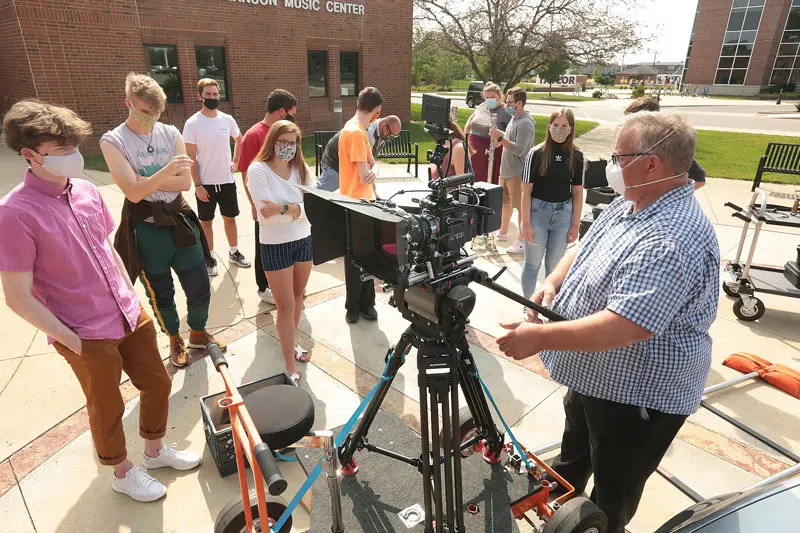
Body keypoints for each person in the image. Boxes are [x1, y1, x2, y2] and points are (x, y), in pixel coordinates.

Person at [497, 112, 720, 533]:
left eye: (619, 156)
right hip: (597, 375)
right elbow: (582, 247)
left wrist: (539, 337)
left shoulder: (672, 237)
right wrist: (551, 282)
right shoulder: (631, 201)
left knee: (614, 489)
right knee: (573, 453)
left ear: (652, 163)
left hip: (639, 394)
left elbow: (625, 326)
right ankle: (564, 511)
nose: (610, 165)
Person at [0, 100, 201, 503]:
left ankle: (155, 451)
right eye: (62, 150)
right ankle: (122, 472)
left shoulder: (87, 191)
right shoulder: (14, 214)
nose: (74, 156)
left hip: (126, 311)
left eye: (74, 146)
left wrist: (130, 295)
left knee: (158, 383)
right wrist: (71, 340)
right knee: (106, 405)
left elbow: (106, 251)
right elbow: (17, 298)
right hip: (82, 331)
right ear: (29, 155)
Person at [101, 73, 218, 368]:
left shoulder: (170, 133)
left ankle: (198, 332)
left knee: (199, 282)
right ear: (128, 103)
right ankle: (174, 338)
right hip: (147, 226)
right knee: (159, 288)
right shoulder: (113, 140)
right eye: (144, 111)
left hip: (178, 218)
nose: (151, 117)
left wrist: (147, 179)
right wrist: (166, 172)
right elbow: (133, 193)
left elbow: (184, 184)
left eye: (157, 112)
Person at [246, 121, 313, 385]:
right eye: (282, 142)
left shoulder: (301, 169)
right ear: (272, 141)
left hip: (303, 240)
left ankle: (292, 343)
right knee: (285, 305)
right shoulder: (257, 170)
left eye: (292, 143)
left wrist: (284, 208)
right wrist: (296, 209)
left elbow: (315, 207)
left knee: (298, 298)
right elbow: (267, 216)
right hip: (275, 245)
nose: (287, 148)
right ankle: (289, 366)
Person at [183, 78, 249, 276]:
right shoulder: (193, 123)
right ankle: (209, 256)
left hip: (227, 181)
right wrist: (198, 184)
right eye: (208, 94)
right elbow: (190, 157)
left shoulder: (227, 119)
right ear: (199, 96)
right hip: (206, 184)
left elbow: (239, 138)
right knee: (207, 222)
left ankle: (233, 251)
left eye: (215, 94)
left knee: (230, 219)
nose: (212, 97)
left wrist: (236, 161)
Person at [238, 89, 298, 305]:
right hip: (264, 203)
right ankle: (264, 287)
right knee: (263, 245)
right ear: (281, 111)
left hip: (285, 203)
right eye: (291, 114)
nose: (292, 119)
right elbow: (246, 174)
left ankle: (283, 282)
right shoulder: (254, 135)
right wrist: (254, 204)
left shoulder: (286, 134)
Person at [519, 108, 584, 300]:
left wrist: (575, 223)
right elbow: (526, 191)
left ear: (571, 129)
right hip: (538, 212)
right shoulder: (536, 153)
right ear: (549, 127)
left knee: (555, 267)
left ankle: (548, 305)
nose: (559, 130)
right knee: (532, 263)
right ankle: (529, 304)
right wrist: (526, 222)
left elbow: (578, 192)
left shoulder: (577, 156)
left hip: (563, 214)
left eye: (564, 126)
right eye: (556, 125)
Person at [339, 86, 383, 323]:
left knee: (365, 255)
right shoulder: (356, 133)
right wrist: (372, 170)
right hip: (357, 202)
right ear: (377, 110)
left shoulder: (356, 129)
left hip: (363, 200)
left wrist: (373, 170)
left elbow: (372, 164)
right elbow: (365, 172)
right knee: (357, 257)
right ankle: (355, 306)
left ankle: (366, 303)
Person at [624, 96, 706, 190]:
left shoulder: (668, 146)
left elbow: (700, 179)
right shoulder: (631, 142)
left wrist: (667, 195)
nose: (626, 128)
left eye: (632, 123)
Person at [490, 87, 536, 254]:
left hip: (518, 172)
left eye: (510, 102)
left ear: (520, 103)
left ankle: (522, 241)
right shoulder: (514, 118)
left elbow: (519, 149)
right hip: (506, 171)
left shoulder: (525, 123)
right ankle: (502, 232)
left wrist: (501, 139)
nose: (507, 105)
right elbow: (510, 140)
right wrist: (500, 135)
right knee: (505, 204)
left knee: (521, 208)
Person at [316, 115, 402, 192]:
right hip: (335, 162)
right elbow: (365, 167)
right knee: (321, 193)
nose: (389, 138)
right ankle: (304, 199)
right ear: (384, 126)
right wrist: (374, 192)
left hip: (350, 164)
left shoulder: (383, 135)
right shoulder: (369, 133)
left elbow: (369, 165)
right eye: (390, 135)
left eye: (392, 137)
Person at [464, 83, 511, 184]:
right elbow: (472, 117)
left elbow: (510, 133)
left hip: (489, 152)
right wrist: (466, 131)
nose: (489, 99)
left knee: (485, 181)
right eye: (487, 97)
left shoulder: (506, 111)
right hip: (473, 148)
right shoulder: (482, 106)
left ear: (500, 96)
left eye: (493, 97)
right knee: (472, 178)